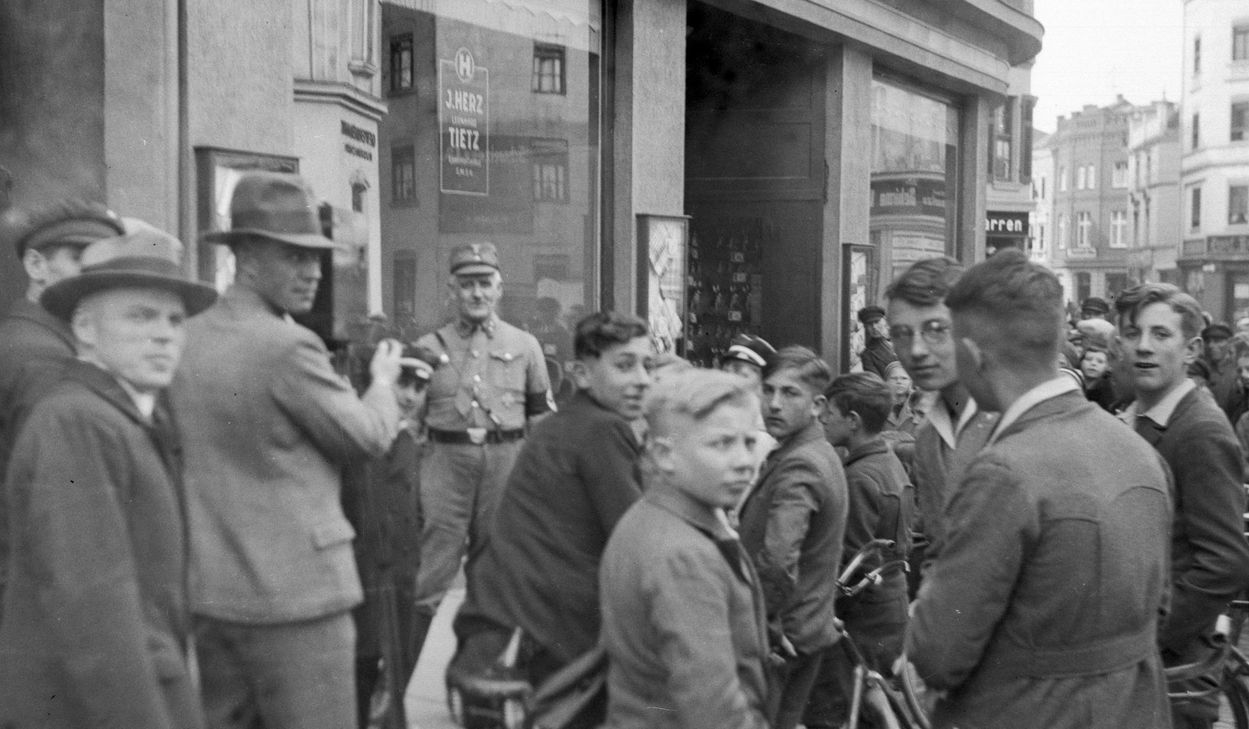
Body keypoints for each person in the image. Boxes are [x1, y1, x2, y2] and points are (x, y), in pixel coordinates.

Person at [172, 171, 404, 729]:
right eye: (294, 256)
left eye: (316, 257)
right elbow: (367, 437)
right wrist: (383, 384)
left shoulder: (188, 335)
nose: (313, 272)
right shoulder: (288, 346)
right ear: (246, 255)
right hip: (300, 603)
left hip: (213, 597)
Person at [907, 250, 1173, 729]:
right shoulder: (1137, 451)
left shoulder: (1004, 473)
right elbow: (1159, 604)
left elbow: (938, 654)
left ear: (973, 354)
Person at [0, 224, 216, 728]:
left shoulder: (124, 415)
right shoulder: (77, 422)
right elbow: (94, 612)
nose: (163, 333)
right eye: (140, 315)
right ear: (86, 328)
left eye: (174, 319)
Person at [450, 311, 651, 687]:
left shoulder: (565, 421)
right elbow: (634, 540)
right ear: (582, 374)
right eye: (625, 366)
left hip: (515, 615)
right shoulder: (604, 429)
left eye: (647, 365)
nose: (643, 380)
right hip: (559, 622)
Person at [599, 369, 769, 729]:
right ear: (665, 455)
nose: (743, 461)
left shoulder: (650, 518)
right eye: (721, 444)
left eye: (749, 442)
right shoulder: (685, 555)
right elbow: (714, 711)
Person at [410, 241, 553, 666]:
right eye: (467, 284)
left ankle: (474, 679)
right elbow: (410, 424)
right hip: (444, 465)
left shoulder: (526, 346)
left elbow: (540, 419)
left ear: (499, 288)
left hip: (505, 462)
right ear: (451, 290)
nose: (476, 294)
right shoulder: (426, 348)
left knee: (494, 573)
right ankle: (393, 689)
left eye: (484, 283)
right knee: (431, 573)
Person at [1114, 283, 1249, 729]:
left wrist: (1148, 638)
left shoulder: (1199, 430)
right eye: (1133, 334)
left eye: (1160, 335)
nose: (1144, 347)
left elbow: (1224, 562)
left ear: (1192, 350)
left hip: (1169, 670)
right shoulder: (1133, 416)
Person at [0, 199, 124, 613]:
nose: (94, 276)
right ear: (36, 266)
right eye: (78, 258)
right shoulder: (45, 360)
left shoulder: (20, 337)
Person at [737, 346, 847, 729]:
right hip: (806, 629)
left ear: (818, 405)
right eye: (768, 391)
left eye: (790, 393)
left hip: (781, 638)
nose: (774, 404)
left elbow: (779, 559)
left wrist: (763, 626)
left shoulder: (801, 463)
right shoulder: (817, 451)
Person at [804, 372, 913, 729]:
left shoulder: (858, 477)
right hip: (889, 608)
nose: (822, 417)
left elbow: (849, 565)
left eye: (830, 412)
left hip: (864, 620)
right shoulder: (888, 462)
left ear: (853, 422)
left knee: (847, 709)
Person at [344, 345, 441, 729]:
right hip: (368, 573)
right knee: (364, 663)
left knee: (394, 665)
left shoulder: (407, 442)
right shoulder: (368, 439)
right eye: (403, 384)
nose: (410, 397)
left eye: (420, 389)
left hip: (399, 573)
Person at [884, 257, 997, 577]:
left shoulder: (1013, 420)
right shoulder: (929, 436)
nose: (916, 350)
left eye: (935, 330)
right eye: (902, 334)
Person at [856, 305, 897, 378]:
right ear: (865, 327)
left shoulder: (900, 338)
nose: (874, 327)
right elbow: (876, 383)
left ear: (884, 320)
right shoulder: (868, 355)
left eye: (877, 322)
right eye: (869, 324)